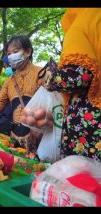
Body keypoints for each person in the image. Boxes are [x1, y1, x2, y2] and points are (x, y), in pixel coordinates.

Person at [38, 8, 101, 162]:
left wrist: (50, 80)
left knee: (86, 180)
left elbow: (77, 77)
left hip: (90, 124)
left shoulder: (82, 22)